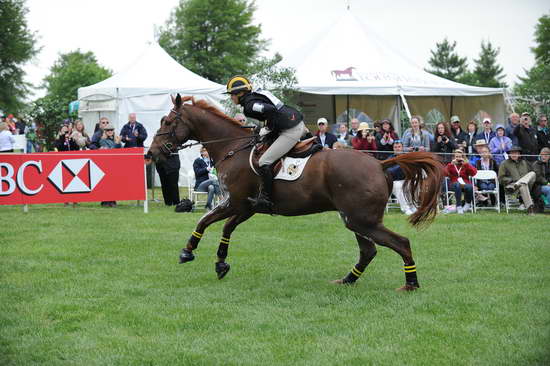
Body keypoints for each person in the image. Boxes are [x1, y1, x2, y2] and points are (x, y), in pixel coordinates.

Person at [225, 75, 307, 210]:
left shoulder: (250, 105)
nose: (231, 98)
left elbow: (270, 110)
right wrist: (267, 129)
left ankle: (266, 198)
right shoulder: (254, 96)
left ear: (240, 93)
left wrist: (269, 128)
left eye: (232, 94)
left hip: (290, 129)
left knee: (264, 162)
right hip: (291, 121)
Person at [498, 145, 536, 215]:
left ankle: (519, 183)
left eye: (515, 153)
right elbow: (500, 179)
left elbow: (530, 177)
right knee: (523, 185)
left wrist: (519, 182)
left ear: (519, 154)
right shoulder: (504, 163)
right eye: (512, 153)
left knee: (532, 173)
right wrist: (511, 180)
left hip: (525, 186)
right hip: (511, 187)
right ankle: (530, 209)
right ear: (509, 154)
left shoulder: (524, 163)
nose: (513, 154)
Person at [155, 117, 181, 206]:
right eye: (163, 123)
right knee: (164, 183)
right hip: (161, 163)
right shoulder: (158, 134)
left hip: (172, 162)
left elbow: (174, 145)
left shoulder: (174, 134)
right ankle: (168, 202)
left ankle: (176, 201)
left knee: (173, 183)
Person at [388, 140, 417, 215]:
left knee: (412, 184)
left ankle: (412, 206)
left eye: (399, 147)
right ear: (393, 149)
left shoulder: (407, 157)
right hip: (395, 181)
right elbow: (389, 170)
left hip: (407, 179)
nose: (397, 148)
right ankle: (405, 209)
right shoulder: (390, 158)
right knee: (398, 186)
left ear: (402, 148)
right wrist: (400, 165)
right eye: (395, 147)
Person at [444, 149, 477, 214]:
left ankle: (467, 204)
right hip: (454, 183)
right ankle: (459, 206)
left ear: (462, 157)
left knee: (470, 187)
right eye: (456, 157)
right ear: (454, 157)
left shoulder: (466, 165)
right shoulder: (451, 165)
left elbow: (474, 173)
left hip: (465, 183)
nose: (458, 158)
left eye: (460, 157)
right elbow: (444, 174)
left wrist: (466, 164)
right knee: (457, 185)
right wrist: (451, 164)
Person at [99, 123, 121, 207]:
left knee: (113, 183)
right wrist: (117, 143)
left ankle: (113, 200)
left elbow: (120, 150)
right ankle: (105, 201)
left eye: (111, 130)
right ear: (105, 132)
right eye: (108, 130)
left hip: (115, 164)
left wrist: (118, 143)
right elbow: (109, 151)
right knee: (106, 183)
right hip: (106, 164)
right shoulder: (102, 140)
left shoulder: (116, 139)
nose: (110, 131)